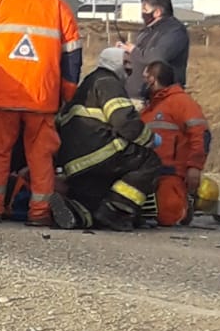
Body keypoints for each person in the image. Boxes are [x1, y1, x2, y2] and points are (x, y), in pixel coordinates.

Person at [0, 0, 81, 227]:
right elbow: (72, 59)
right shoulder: (59, 8)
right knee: (41, 155)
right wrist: (66, 94)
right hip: (42, 99)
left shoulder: (0, 5)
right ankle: (39, 212)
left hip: (2, 97)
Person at [55, 48, 161, 231]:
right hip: (99, 152)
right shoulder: (108, 82)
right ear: (113, 62)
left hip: (75, 163)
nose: (129, 70)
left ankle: (79, 214)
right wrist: (150, 139)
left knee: (95, 206)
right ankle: (117, 211)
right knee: (149, 161)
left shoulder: (89, 83)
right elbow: (124, 122)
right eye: (126, 63)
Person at [140, 60, 211, 226]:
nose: (141, 83)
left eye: (144, 78)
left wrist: (194, 167)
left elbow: (201, 134)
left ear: (152, 79)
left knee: (167, 216)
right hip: (145, 172)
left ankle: (186, 203)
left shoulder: (182, 103)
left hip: (171, 173)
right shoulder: (149, 108)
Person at [121, 0, 190, 100]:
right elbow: (140, 55)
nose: (142, 14)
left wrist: (133, 50)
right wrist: (125, 53)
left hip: (159, 99)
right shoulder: (147, 31)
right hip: (135, 96)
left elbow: (158, 56)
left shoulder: (175, 31)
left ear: (157, 12)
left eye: (145, 9)